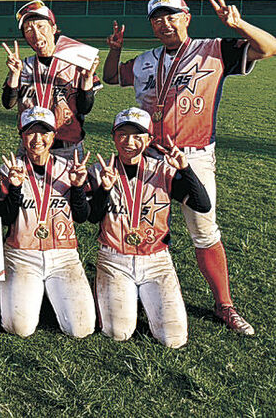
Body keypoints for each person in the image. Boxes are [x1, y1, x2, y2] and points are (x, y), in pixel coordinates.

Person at [103, 0, 276, 335]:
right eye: (158, 18)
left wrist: (237, 24)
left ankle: (224, 304)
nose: (165, 23)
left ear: (186, 17)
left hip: (192, 155)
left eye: (171, 15)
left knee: (204, 229)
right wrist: (116, 49)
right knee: (139, 222)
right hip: (148, 154)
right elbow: (111, 77)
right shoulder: (146, 60)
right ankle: (136, 288)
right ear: (152, 25)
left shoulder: (214, 48)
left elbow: (269, 48)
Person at [88, 108, 212, 348]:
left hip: (156, 261)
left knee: (173, 339)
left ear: (148, 139)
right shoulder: (100, 170)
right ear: (114, 136)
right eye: (122, 134)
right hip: (114, 259)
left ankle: (143, 299)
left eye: (138, 136)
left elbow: (203, 205)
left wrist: (185, 169)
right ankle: (121, 295)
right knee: (117, 332)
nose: (129, 142)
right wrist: (104, 189)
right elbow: (92, 218)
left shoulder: (163, 170)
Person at [0, 107, 94, 338]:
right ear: (22, 135)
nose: (37, 139)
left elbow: (82, 216)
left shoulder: (69, 169)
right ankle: (24, 291)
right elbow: (5, 218)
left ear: (53, 135)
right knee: (20, 328)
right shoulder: (10, 169)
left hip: (63, 256)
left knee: (81, 329)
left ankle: (51, 294)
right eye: (31, 133)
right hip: (21, 254)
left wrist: (78, 187)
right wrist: (16, 186)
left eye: (44, 133)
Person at [1, 0, 101, 158]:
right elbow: (8, 103)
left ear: (53, 28)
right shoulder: (23, 66)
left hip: (67, 147)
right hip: (32, 145)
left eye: (41, 26)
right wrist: (14, 75)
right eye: (28, 29)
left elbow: (84, 108)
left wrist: (87, 79)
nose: (36, 34)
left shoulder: (77, 62)